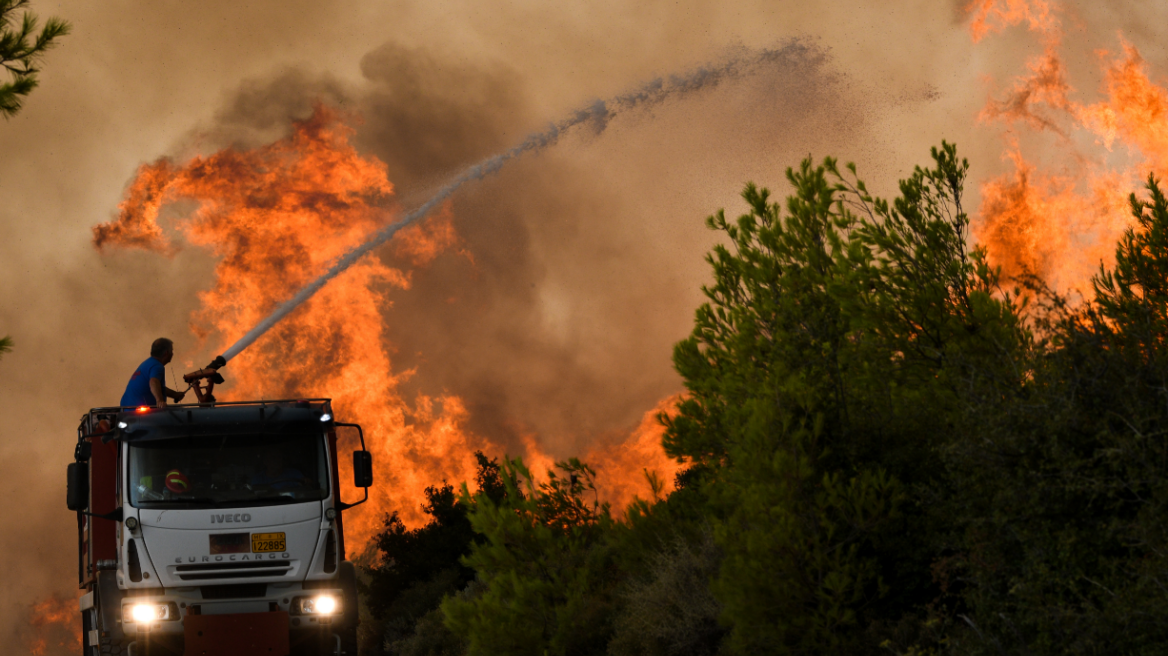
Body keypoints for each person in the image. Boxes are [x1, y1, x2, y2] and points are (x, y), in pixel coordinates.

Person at [120, 338, 186, 408]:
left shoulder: (148, 363)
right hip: (137, 412)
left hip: (126, 409)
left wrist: (175, 394)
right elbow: (154, 382)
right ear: (166, 353)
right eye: (171, 351)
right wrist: (160, 401)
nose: (172, 353)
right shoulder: (157, 366)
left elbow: (156, 387)